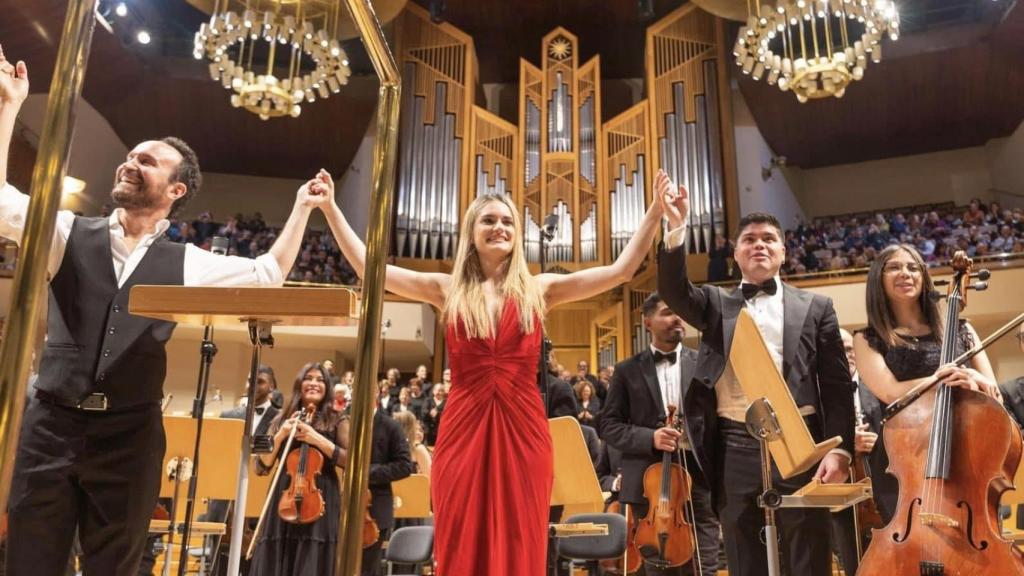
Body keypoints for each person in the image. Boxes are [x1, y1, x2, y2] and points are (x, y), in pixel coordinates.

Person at [0, 47, 329, 576]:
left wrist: (300, 208)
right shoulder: (67, 231)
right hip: (51, 427)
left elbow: (268, 274)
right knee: (29, 563)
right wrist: (9, 107)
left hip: (129, 438)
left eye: (146, 161)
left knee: (117, 566)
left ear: (176, 191)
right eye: (130, 155)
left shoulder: (189, 261)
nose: (130, 162)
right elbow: (0, 203)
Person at [315, 165, 667, 575]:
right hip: (464, 426)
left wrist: (655, 212)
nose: (499, 227)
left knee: (522, 531)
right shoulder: (446, 289)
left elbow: (621, 271)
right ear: (472, 231)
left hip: (524, 429)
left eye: (507, 221)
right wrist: (331, 208)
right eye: (489, 220)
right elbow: (368, 267)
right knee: (460, 528)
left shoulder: (540, 289)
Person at [656, 170, 855, 576]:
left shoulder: (817, 307)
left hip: (801, 443)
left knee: (808, 551)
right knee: (743, 549)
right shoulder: (715, 305)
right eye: (749, 239)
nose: (759, 244)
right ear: (736, 253)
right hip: (734, 443)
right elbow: (674, 292)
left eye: (768, 238)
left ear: (783, 250)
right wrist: (677, 228)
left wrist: (840, 449)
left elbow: (835, 387)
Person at [853, 244, 1002, 520]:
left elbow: (994, 395)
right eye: (894, 267)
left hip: (964, 446)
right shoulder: (867, 339)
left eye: (913, 267)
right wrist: (940, 378)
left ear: (924, 276)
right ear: (878, 277)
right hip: (904, 457)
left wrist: (973, 380)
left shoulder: (962, 328)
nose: (905, 273)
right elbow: (891, 393)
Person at [600, 292, 720, 576]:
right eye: (668, 312)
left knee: (706, 565)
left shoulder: (705, 365)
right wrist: (649, 438)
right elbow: (609, 426)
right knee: (656, 568)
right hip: (647, 483)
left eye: (681, 312)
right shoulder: (626, 370)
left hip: (698, 479)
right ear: (648, 322)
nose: (677, 317)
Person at [248, 363, 349, 576]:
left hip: (321, 497)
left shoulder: (337, 419)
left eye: (320, 380)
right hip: (284, 496)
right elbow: (261, 465)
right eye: (308, 378)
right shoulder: (281, 419)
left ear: (327, 387)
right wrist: (281, 434)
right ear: (299, 384)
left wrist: (317, 439)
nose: (314, 383)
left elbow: (350, 460)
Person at [829, 329, 883, 576]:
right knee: (852, 564)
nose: (846, 354)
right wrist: (850, 443)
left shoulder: (878, 385)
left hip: (882, 488)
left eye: (850, 349)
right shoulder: (823, 395)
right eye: (839, 349)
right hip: (841, 497)